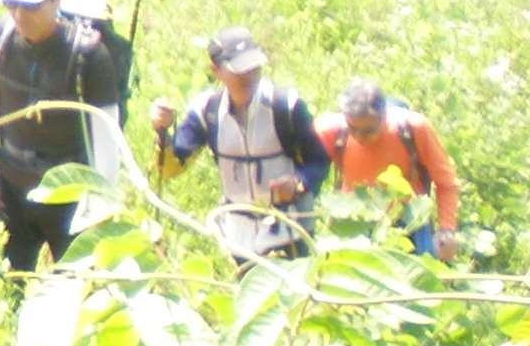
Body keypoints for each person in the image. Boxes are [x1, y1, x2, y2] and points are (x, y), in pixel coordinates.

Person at [0, 0, 123, 276]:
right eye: (11, 4)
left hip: (70, 195)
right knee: (7, 281)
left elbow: (106, 132)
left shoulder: (88, 56)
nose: (20, 16)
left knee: (74, 287)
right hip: (10, 185)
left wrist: (102, 203)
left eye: (31, 5)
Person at [153, 29, 329, 260]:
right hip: (239, 238)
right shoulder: (207, 111)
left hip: (290, 233)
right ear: (216, 70)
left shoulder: (285, 106)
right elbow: (171, 167)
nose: (249, 76)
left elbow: (319, 161)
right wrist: (162, 132)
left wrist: (298, 184)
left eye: (253, 67)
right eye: (239, 70)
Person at [319, 80, 462, 259]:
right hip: (354, 223)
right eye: (353, 129)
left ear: (384, 115)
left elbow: (446, 183)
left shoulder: (414, 129)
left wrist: (446, 229)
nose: (359, 136)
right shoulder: (331, 131)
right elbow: (306, 167)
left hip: (409, 223)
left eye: (368, 130)